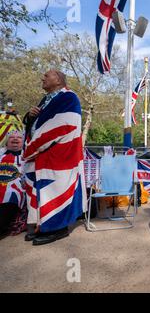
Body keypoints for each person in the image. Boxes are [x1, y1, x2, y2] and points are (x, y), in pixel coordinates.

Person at [22, 69, 86, 245]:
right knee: (40, 192)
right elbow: (37, 124)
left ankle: (57, 228)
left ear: (58, 79)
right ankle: (41, 226)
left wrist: (31, 148)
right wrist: (30, 116)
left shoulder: (69, 98)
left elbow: (60, 126)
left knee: (55, 191)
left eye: (47, 75)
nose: (42, 77)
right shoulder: (45, 100)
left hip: (59, 156)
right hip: (40, 156)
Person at [0, 130, 26, 236]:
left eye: (19, 137)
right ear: (6, 142)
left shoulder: (27, 155)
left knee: (10, 194)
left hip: (15, 187)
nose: (15, 139)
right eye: (12, 137)